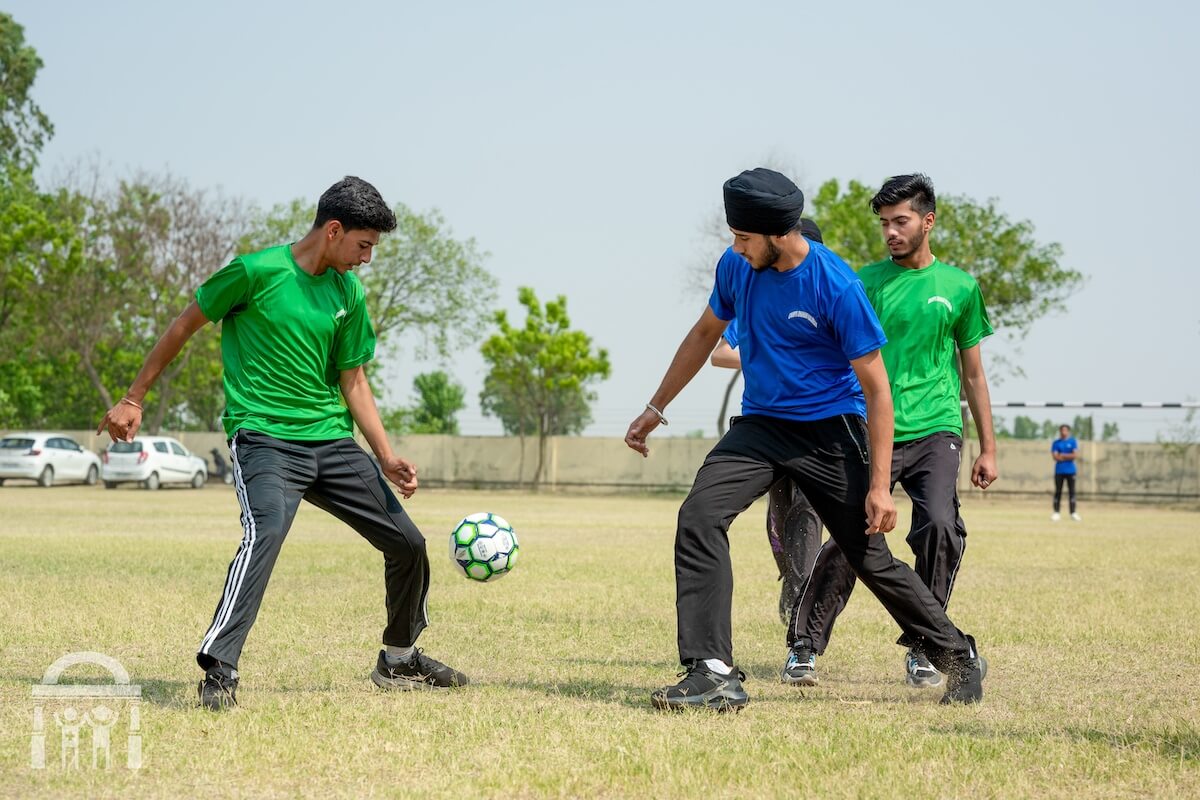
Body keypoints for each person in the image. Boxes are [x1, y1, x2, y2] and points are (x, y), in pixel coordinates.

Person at [96, 176, 468, 710]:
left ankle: (399, 658)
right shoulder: (255, 272)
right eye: (363, 245)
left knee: (408, 543)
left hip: (331, 441)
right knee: (265, 533)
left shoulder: (348, 293)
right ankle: (219, 668)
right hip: (265, 439)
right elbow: (185, 324)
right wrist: (134, 397)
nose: (367, 258)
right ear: (334, 231)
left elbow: (353, 381)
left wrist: (385, 455)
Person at [624, 167, 986, 713]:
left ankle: (958, 654)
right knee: (699, 515)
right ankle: (712, 672)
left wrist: (881, 487)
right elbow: (703, 336)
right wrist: (656, 407)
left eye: (743, 237)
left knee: (869, 558)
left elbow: (877, 390)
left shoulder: (834, 284)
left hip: (829, 429)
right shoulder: (735, 267)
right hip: (762, 425)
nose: (734, 247)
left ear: (776, 234)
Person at [788, 174, 998, 690]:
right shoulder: (864, 283)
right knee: (851, 536)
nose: (891, 232)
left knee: (942, 528)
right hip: (868, 428)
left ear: (928, 221)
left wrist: (989, 448)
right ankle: (805, 646)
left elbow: (973, 373)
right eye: (884, 223)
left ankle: (926, 645)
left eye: (900, 221)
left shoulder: (960, 288)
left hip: (937, 429)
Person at [710, 218, 826, 626]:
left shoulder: (825, 294)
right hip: (764, 426)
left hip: (816, 429)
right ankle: (791, 578)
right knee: (780, 516)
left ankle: (802, 599)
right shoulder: (756, 304)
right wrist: (766, 357)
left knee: (808, 514)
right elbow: (719, 354)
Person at [1051, 424, 1081, 521]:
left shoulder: (1072, 442)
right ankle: (1056, 512)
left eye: (1065, 430)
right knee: (1058, 492)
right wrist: (1067, 455)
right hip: (1059, 471)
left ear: (1068, 431)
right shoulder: (1056, 443)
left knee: (1072, 492)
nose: (1063, 432)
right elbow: (1055, 457)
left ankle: (1073, 512)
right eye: (1062, 430)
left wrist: (1062, 455)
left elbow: (1074, 455)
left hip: (1070, 471)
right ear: (1060, 431)